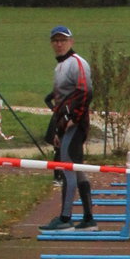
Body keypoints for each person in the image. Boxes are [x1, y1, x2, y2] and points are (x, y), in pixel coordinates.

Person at [42, 25, 94, 231]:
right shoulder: (60, 67)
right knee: (77, 169)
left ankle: (65, 219)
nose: (59, 44)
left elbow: (86, 92)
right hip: (65, 124)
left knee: (68, 169)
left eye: (62, 40)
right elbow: (61, 101)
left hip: (75, 125)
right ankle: (89, 219)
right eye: (55, 40)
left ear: (71, 42)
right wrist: (58, 130)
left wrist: (74, 118)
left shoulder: (77, 62)